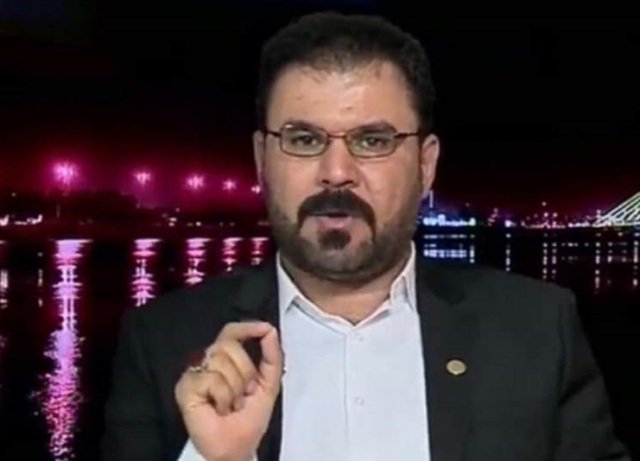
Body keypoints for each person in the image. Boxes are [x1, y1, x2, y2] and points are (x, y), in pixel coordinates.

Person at [100, 10, 631, 461]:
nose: (336, 172)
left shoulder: (537, 330)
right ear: (263, 159)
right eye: (304, 139)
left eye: (373, 140)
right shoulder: (161, 343)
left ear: (425, 165)